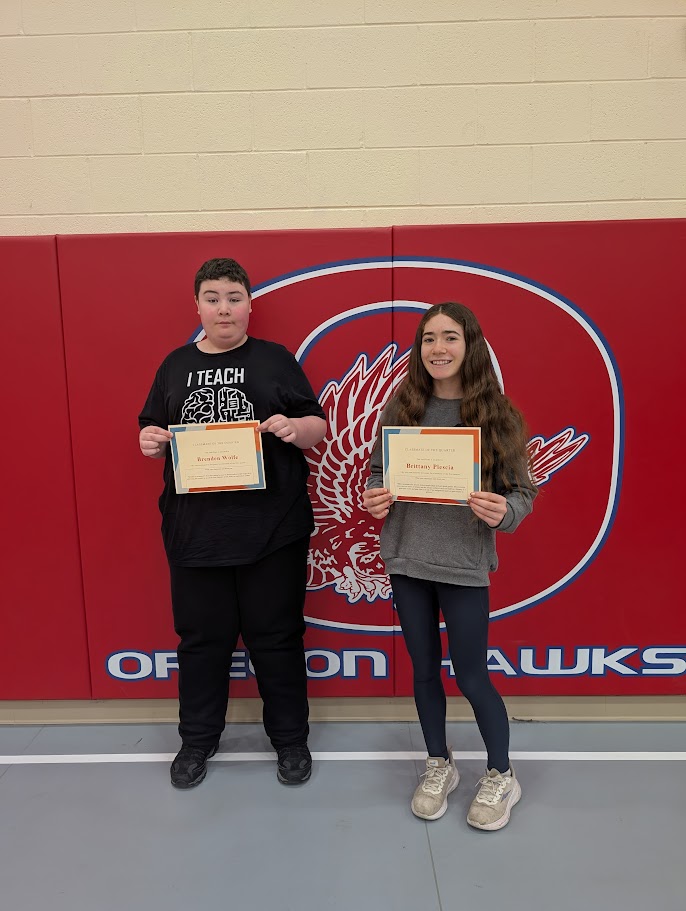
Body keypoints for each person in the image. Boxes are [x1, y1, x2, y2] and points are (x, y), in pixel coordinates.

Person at [138, 257, 326, 790]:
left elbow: (317, 424)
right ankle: (197, 741)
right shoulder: (174, 365)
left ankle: (290, 740)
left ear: (249, 305)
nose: (224, 308)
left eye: (234, 298)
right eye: (213, 298)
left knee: (278, 639)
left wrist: (295, 428)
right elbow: (151, 428)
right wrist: (149, 440)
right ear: (197, 306)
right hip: (195, 534)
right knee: (202, 642)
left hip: (273, 530)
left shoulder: (275, 359)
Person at [363, 302, 536, 830]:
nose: (438, 348)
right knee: (423, 672)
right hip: (407, 559)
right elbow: (377, 472)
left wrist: (506, 511)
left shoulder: (496, 414)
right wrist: (375, 496)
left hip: (462, 564)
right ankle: (439, 763)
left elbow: (522, 492)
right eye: (429, 338)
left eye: (450, 337)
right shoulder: (402, 407)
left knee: (472, 675)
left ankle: (502, 773)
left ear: (470, 345)